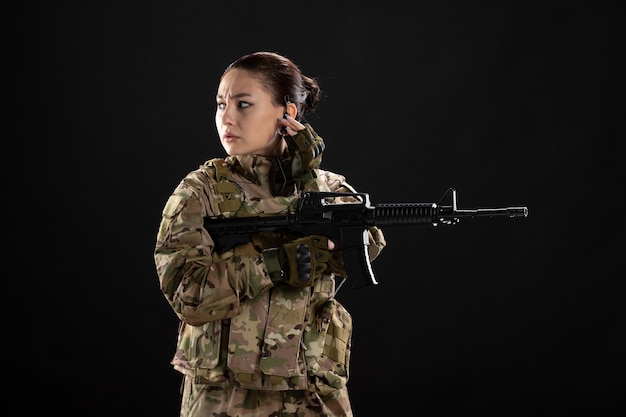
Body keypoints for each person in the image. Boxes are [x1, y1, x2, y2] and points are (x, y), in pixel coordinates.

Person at [154, 51, 386, 417]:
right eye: (220, 104)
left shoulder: (329, 188)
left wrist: (307, 181)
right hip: (224, 399)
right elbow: (188, 296)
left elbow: (364, 249)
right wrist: (273, 265)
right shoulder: (200, 192)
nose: (226, 118)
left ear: (287, 114)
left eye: (243, 104)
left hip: (310, 395)